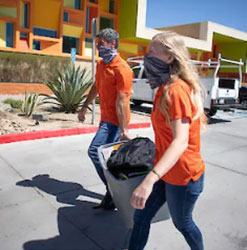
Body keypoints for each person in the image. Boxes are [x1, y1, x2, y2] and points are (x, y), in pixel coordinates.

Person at [129, 31, 207, 250]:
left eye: (152, 51)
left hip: (183, 175)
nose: (147, 55)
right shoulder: (163, 88)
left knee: (183, 223)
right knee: (141, 218)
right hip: (165, 170)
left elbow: (180, 141)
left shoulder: (176, 91)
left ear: (170, 57)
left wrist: (149, 180)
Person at [78, 28, 133, 210]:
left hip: (116, 121)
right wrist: (85, 106)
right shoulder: (102, 65)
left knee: (95, 151)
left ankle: (115, 191)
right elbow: (96, 85)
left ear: (113, 44)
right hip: (106, 118)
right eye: (97, 45)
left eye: (101, 45)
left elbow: (122, 101)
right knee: (108, 159)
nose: (98, 48)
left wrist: (124, 130)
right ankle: (119, 191)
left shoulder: (122, 69)